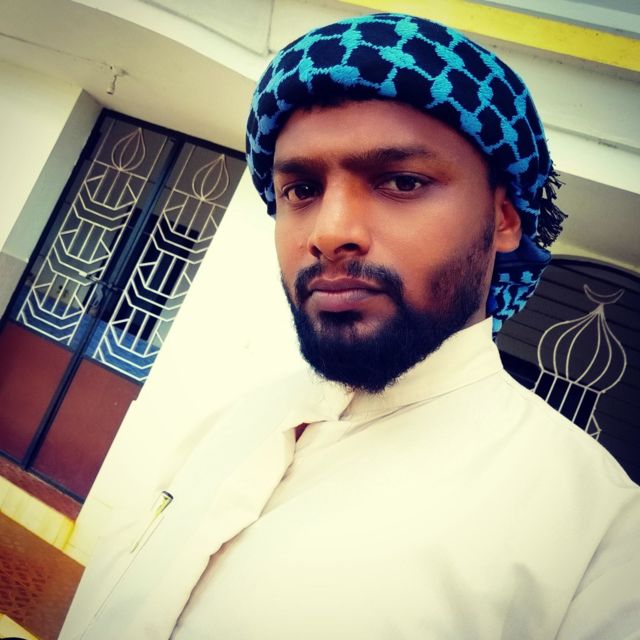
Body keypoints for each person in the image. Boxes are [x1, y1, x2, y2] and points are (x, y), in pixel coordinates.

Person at [60, 12, 640, 640]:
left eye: (402, 181)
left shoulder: (599, 542)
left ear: (503, 220)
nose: (329, 232)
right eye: (301, 190)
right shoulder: (238, 418)